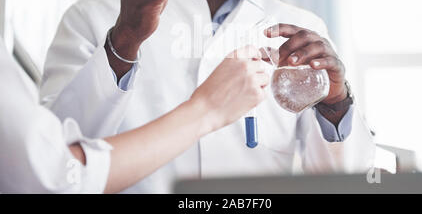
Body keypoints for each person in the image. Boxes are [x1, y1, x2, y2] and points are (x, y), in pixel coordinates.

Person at [40, 0, 376, 193]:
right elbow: (53, 161)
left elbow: (345, 180)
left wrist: (335, 105)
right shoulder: (93, 18)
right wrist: (126, 36)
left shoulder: (302, 28)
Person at [0, 38, 268, 193]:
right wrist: (207, 108)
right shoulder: (92, 13)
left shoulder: (293, 22)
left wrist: (313, 102)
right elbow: (52, 171)